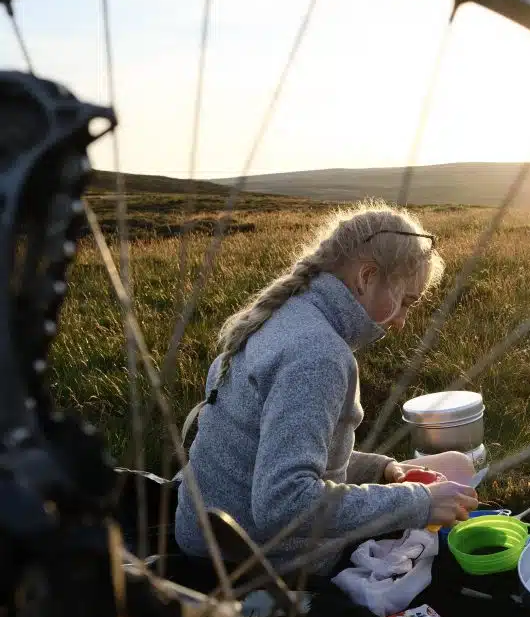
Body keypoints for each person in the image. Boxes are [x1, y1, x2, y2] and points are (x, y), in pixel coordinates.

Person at [174, 200, 479, 576]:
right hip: (257, 559)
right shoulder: (318, 356)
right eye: (406, 302)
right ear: (367, 277)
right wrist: (418, 504)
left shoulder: (287, 315)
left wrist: (382, 469)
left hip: (205, 531)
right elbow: (283, 504)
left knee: (452, 466)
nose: (401, 321)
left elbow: (272, 452)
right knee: (456, 468)